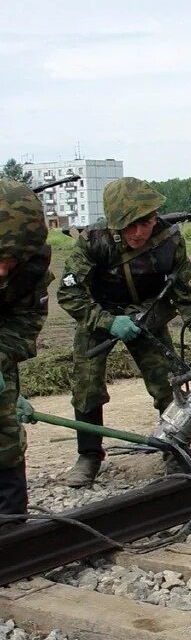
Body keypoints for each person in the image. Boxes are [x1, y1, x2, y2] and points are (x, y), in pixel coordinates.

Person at [57, 177, 191, 487]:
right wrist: (107, 322)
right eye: (129, 226)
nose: (138, 233)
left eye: (144, 223)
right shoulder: (94, 241)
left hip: (148, 316)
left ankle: (175, 448)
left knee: (167, 383)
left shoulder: (169, 241)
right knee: (87, 385)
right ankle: (89, 454)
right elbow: (68, 293)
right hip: (99, 315)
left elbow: (190, 296)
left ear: (154, 217)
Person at [0, 180, 53, 520]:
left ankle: (10, 526)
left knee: (3, 430)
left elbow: (26, 321)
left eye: (11, 260)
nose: (2, 271)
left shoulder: (30, 267)